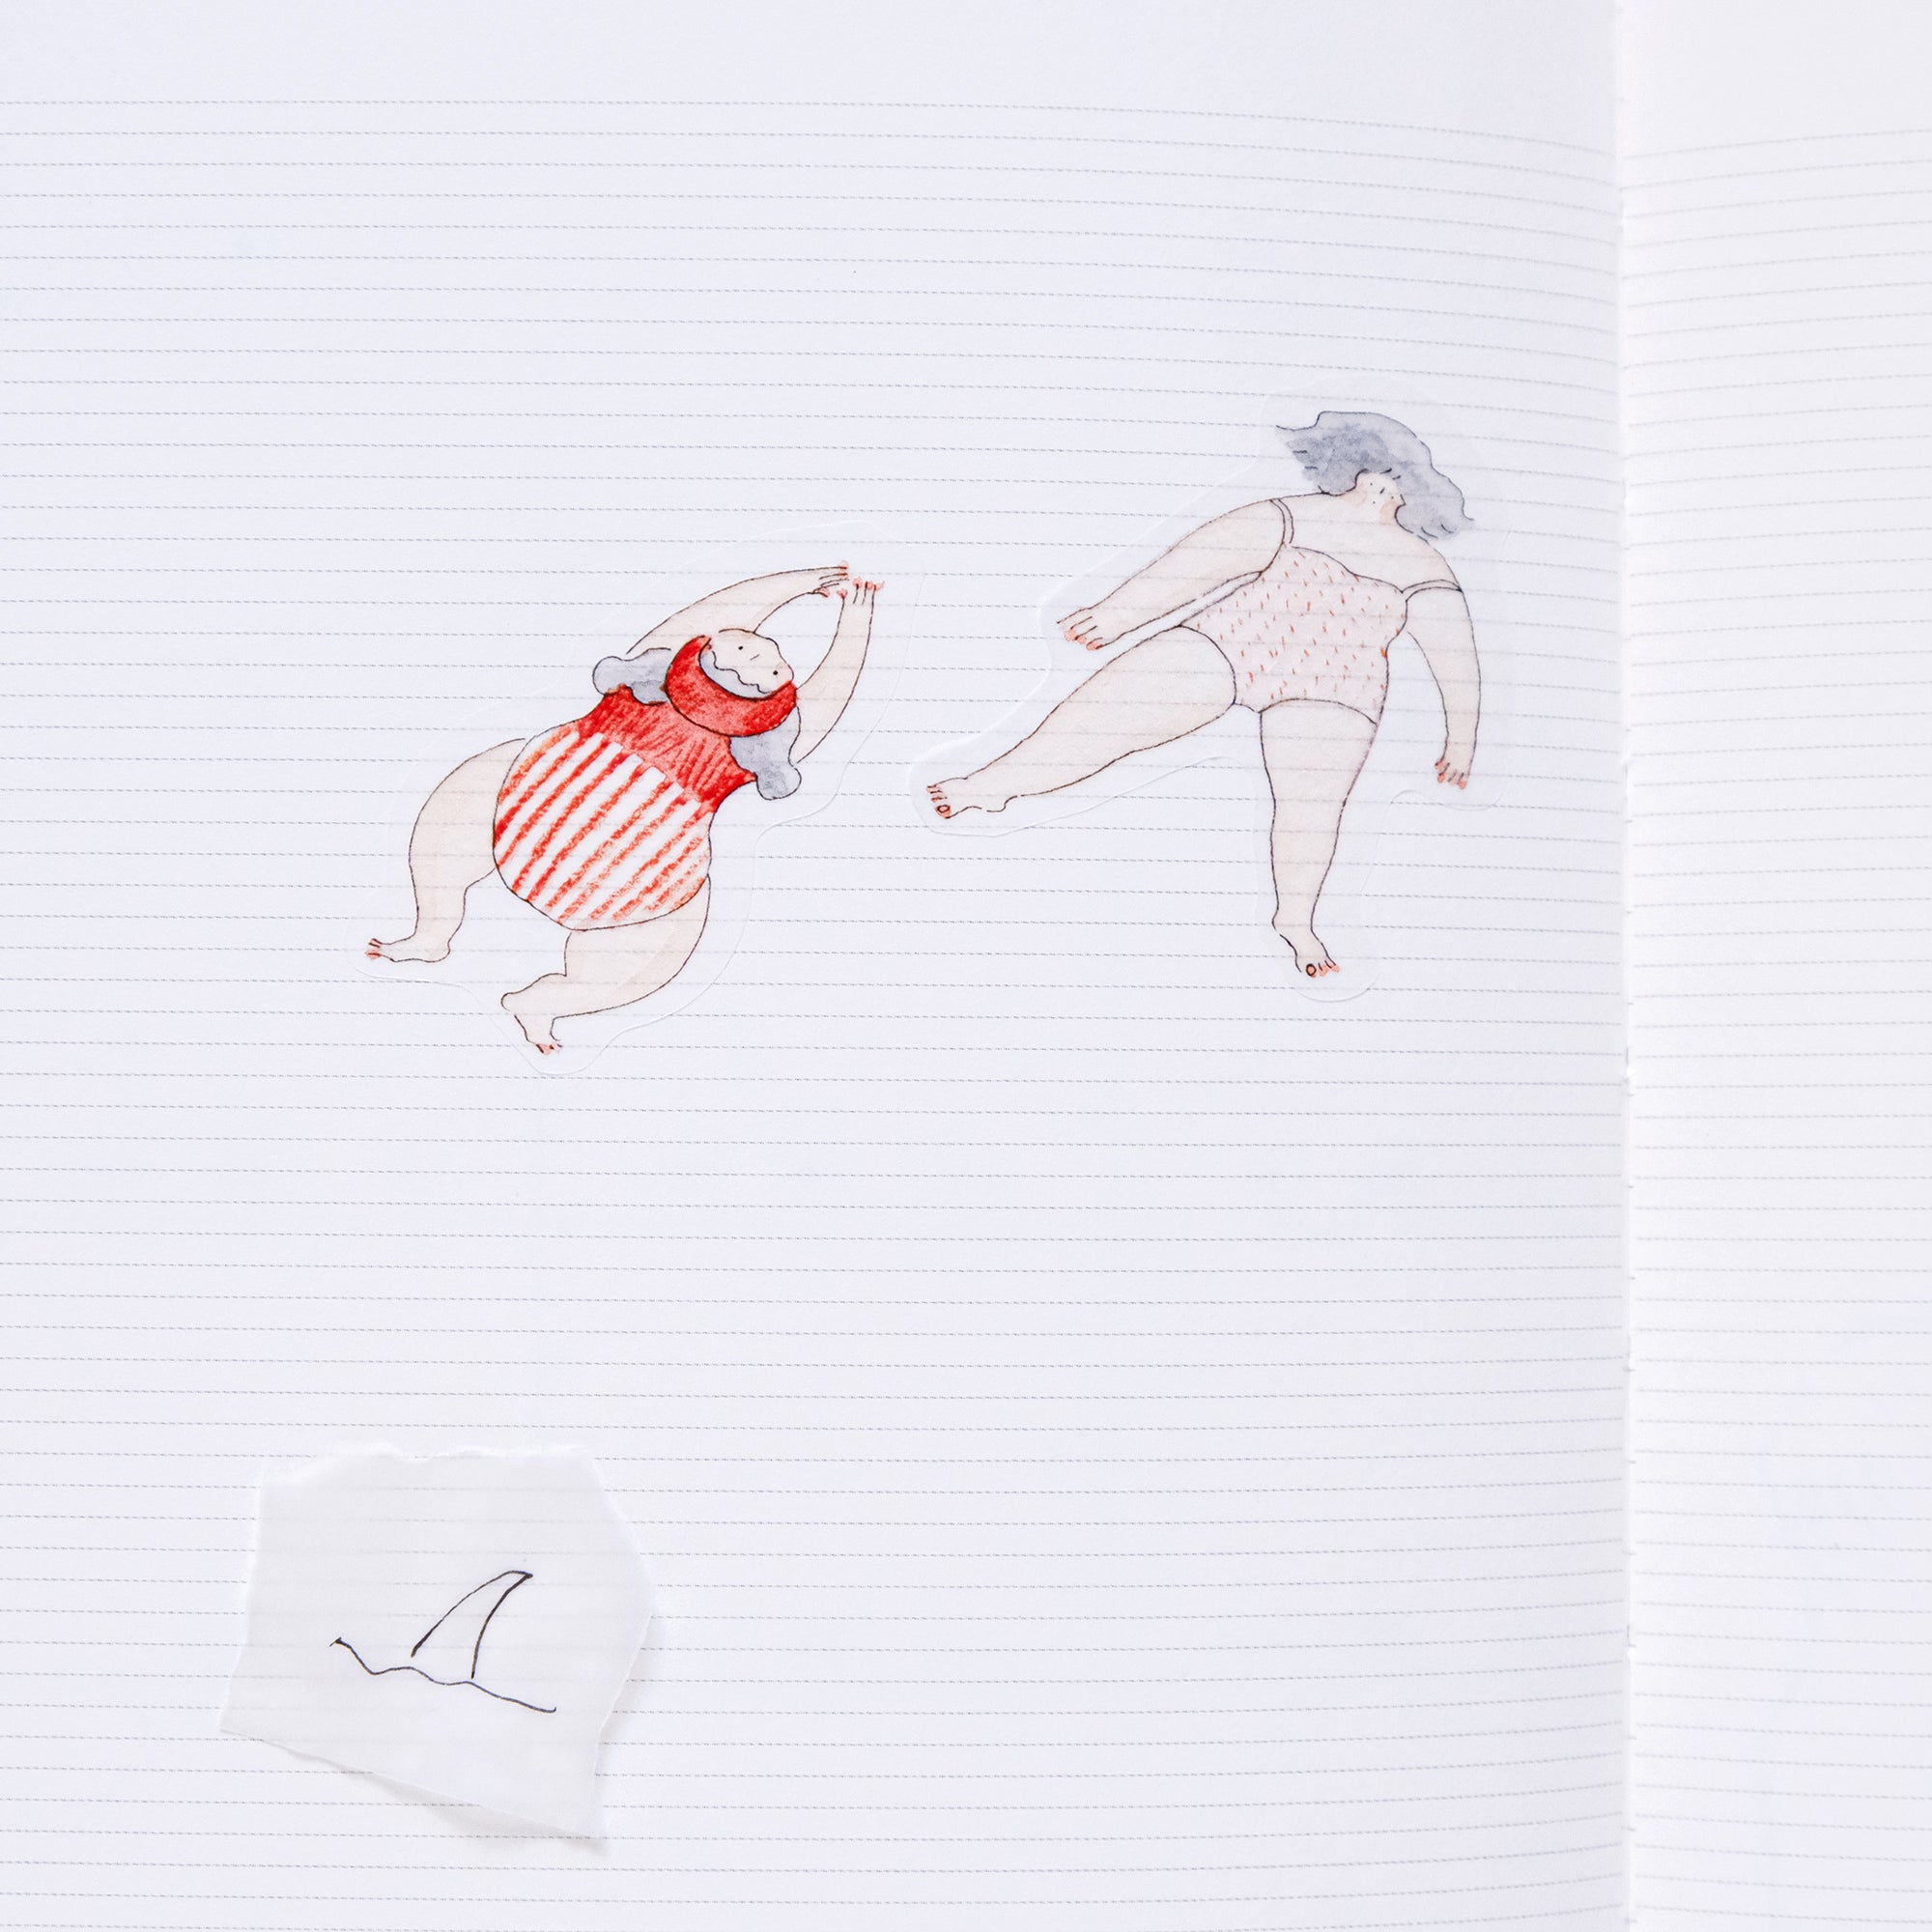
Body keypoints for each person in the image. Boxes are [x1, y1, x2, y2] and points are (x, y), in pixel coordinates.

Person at [928, 411, 1480, 978]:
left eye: (1392, 485)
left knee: (1310, 808)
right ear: (1346, 468)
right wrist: (1117, 614)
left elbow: (1454, 655)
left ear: (1413, 495)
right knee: (1105, 711)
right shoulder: (1296, 514)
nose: (1375, 493)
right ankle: (990, 785)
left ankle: (1296, 920)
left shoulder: (1421, 562)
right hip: (1235, 638)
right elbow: (1200, 561)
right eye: (1369, 476)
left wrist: (1461, 740)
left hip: (1338, 683)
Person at [372, 567, 877, 1050]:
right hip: (546, 808)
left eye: (765, 660)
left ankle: (537, 1000)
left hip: (627, 861)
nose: (761, 655)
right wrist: (821, 597)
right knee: (464, 807)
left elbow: (806, 683)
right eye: (747, 648)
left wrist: (840, 610)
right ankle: (433, 930)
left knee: (646, 956)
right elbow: (797, 677)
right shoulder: (659, 673)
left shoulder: (754, 729)